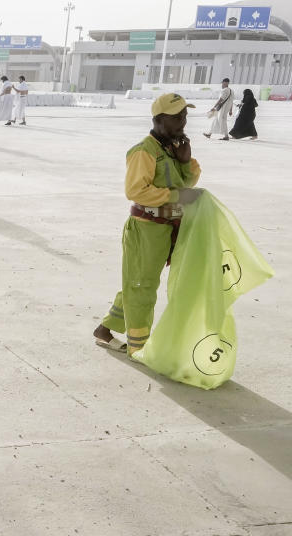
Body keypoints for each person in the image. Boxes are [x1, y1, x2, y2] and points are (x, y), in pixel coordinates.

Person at [93, 93, 202, 355]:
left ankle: (106, 329)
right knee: (142, 285)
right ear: (159, 119)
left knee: (140, 282)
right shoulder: (144, 151)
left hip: (168, 227)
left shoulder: (173, 147)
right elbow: (136, 191)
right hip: (147, 227)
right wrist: (177, 196)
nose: (183, 122)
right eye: (176, 117)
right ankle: (139, 347)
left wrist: (185, 162)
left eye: (185, 116)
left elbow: (187, 183)